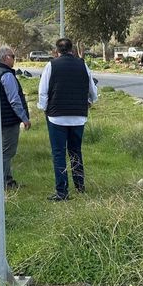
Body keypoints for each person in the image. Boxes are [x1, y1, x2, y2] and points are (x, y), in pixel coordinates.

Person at [37, 37, 99, 201]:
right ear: (72, 50)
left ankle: (62, 191)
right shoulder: (82, 65)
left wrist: (44, 108)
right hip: (78, 116)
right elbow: (92, 89)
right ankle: (80, 186)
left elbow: (43, 91)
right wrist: (90, 101)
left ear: (56, 51)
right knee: (75, 151)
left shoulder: (51, 65)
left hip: (56, 116)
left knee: (59, 153)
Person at [0, 46, 30, 190]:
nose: (14, 59)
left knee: (2, 151)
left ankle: (8, 181)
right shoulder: (7, 75)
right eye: (13, 56)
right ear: (6, 58)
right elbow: (14, 100)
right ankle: (4, 183)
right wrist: (24, 118)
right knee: (7, 152)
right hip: (9, 120)